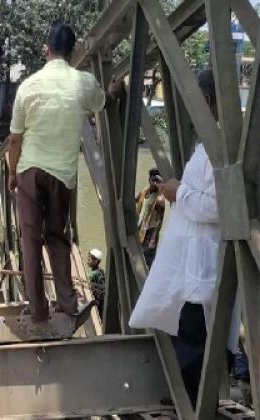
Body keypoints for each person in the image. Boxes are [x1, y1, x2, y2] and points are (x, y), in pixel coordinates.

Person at [129, 69, 241, 408]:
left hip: (202, 268)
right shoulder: (210, 144)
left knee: (193, 340)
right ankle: (185, 401)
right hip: (192, 265)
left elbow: (221, 207)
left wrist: (180, 193)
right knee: (188, 335)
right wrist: (179, 188)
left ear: (206, 100)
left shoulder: (220, 145)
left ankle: (189, 406)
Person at [7, 22, 120, 323]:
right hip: (61, 176)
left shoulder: (28, 86)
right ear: (71, 52)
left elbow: (15, 139)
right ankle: (68, 303)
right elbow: (103, 103)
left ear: (46, 49)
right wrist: (113, 93)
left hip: (29, 170)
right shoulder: (83, 83)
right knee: (57, 237)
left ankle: (38, 309)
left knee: (30, 241)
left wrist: (12, 173)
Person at [135, 168, 166, 268]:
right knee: (137, 256)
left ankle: (146, 280)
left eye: (157, 181)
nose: (155, 183)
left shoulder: (160, 199)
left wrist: (153, 239)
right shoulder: (144, 191)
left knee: (147, 260)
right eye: (153, 180)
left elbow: (159, 221)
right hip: (140, 228)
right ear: (149, 179)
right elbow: (135, 200)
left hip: (150, 232)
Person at [87, 249, 106, 319]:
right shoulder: (101, 271)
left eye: (89, 260)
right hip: (102, 299)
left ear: (95, 261)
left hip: (97, 300)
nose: (87, 261)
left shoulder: (92, 275)